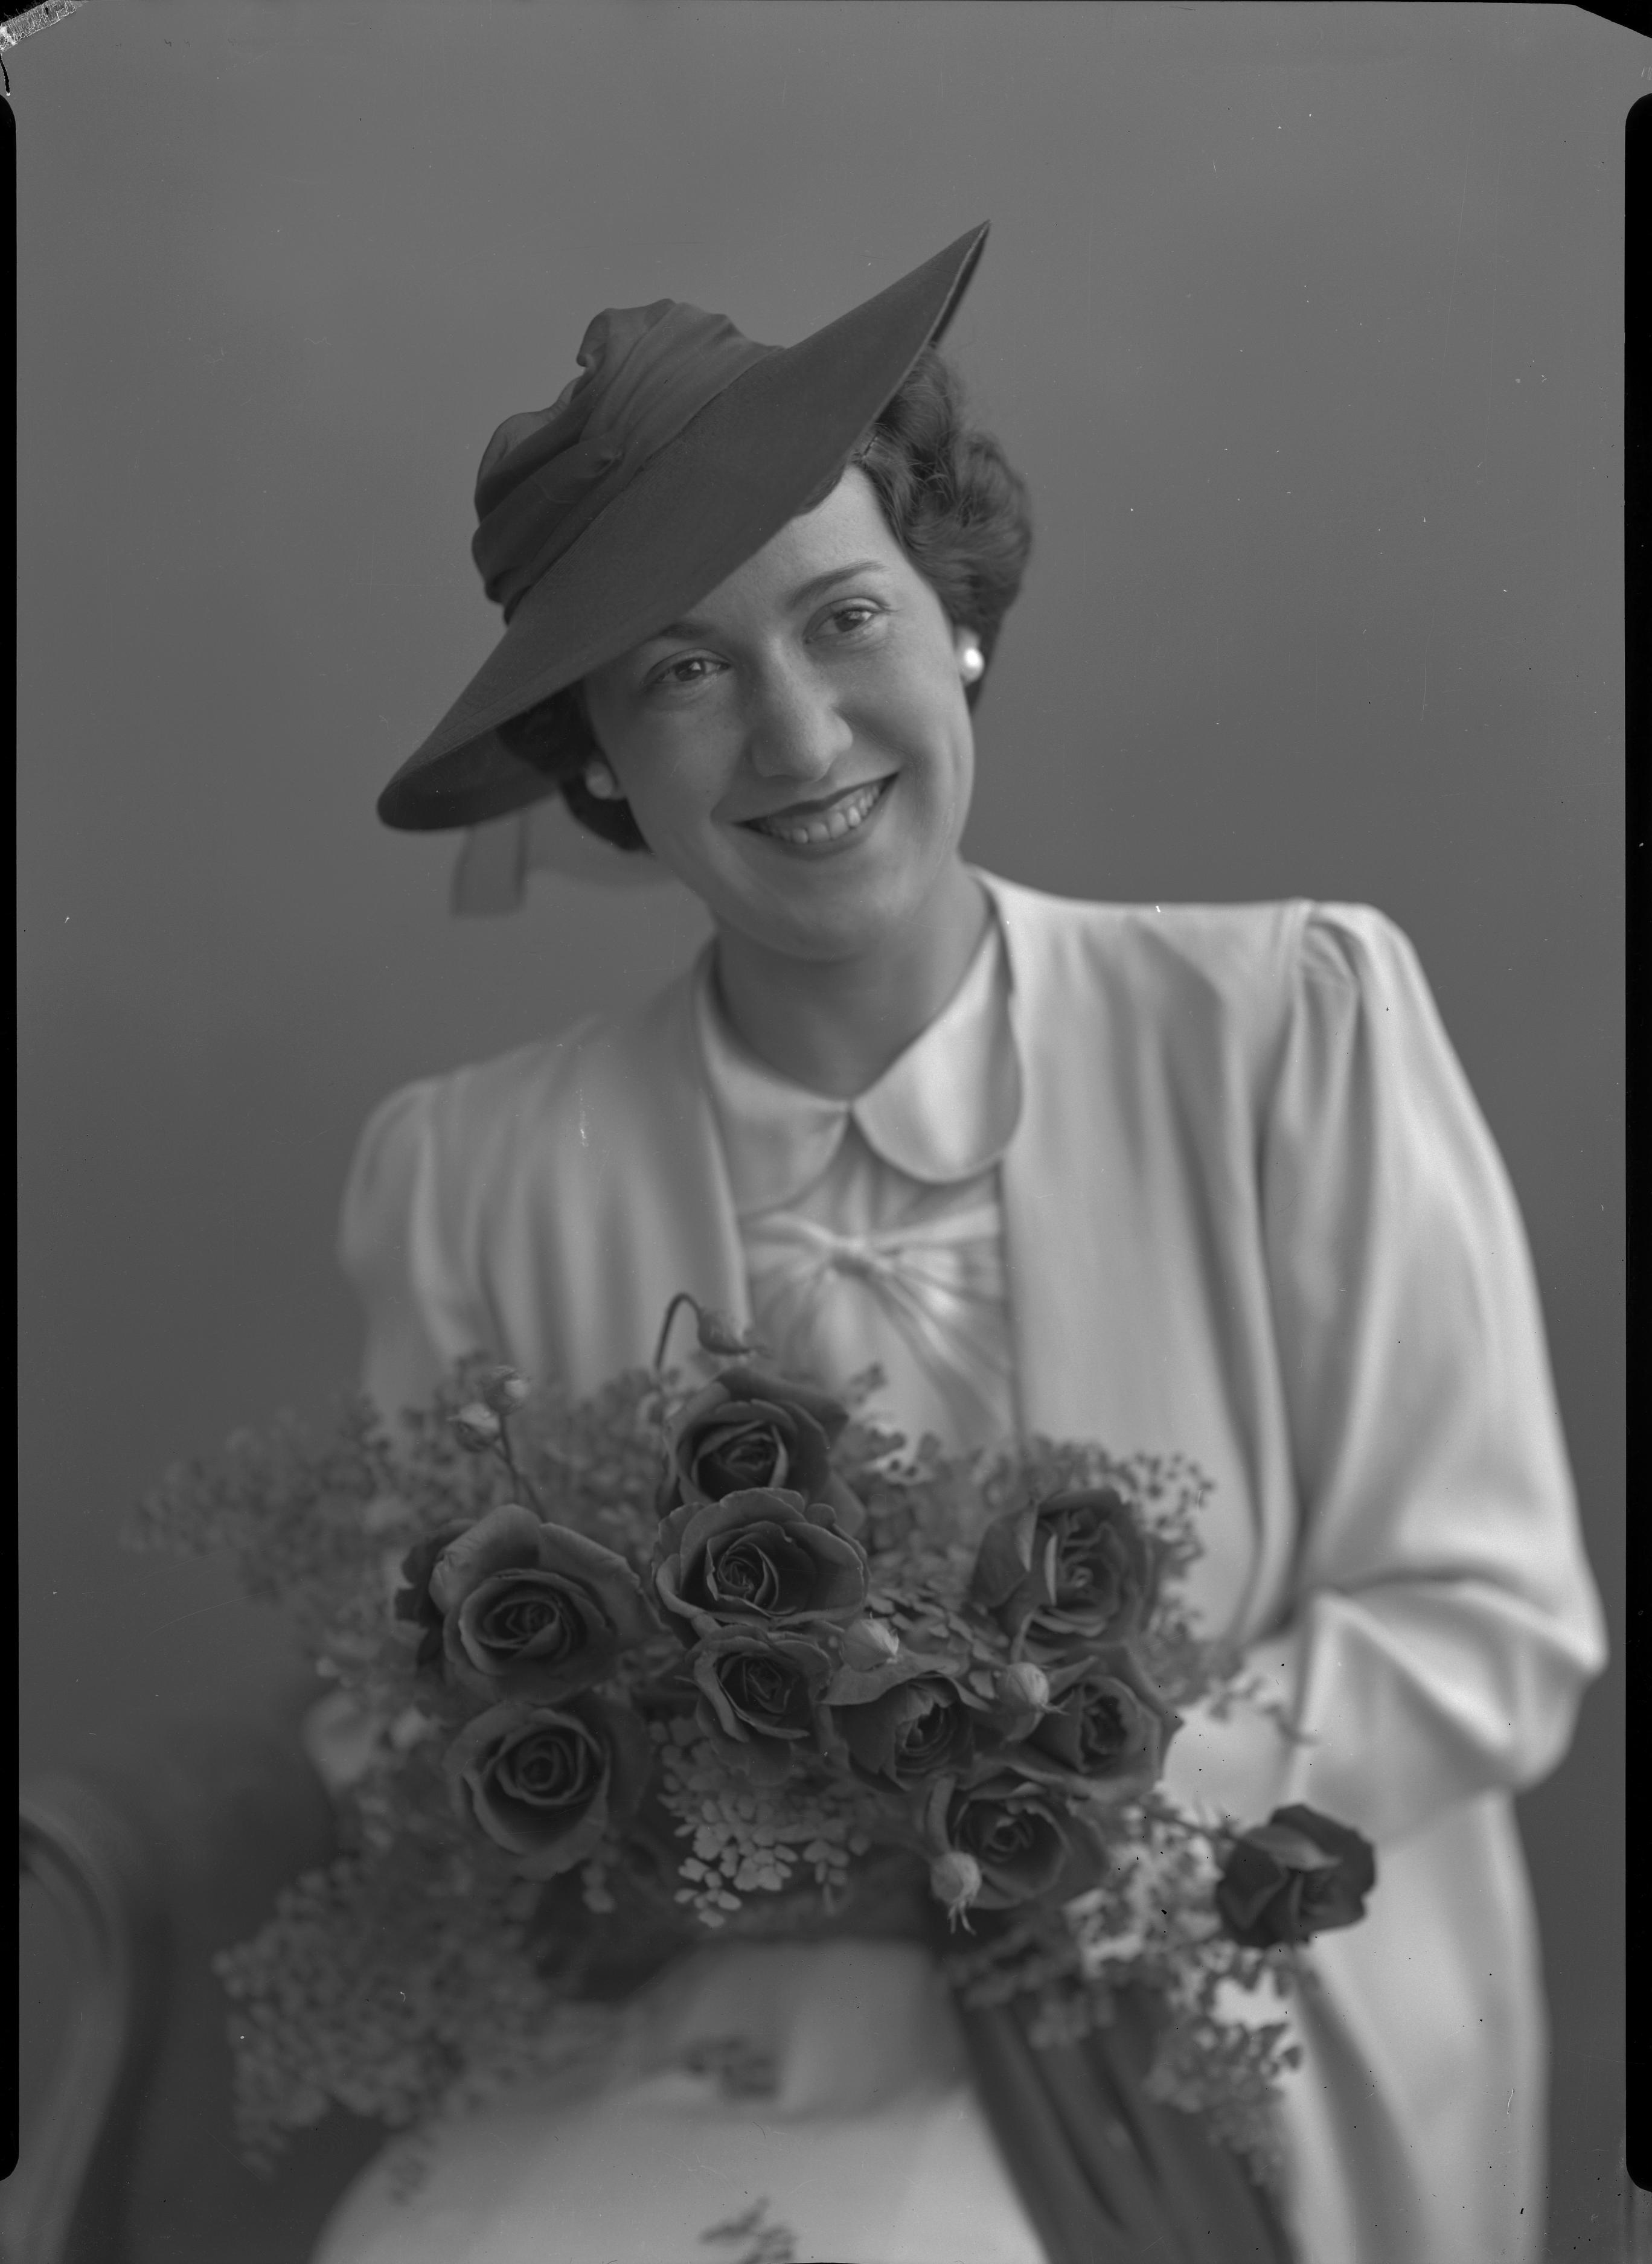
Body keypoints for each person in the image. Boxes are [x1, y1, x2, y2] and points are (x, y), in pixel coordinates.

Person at [309, 226, 1606, 2264]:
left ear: (961, 620)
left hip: (1185, 1997)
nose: (800, 739)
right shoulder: (472, 1173)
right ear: (601, 765)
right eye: (683, 673)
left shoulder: (1288, 1032)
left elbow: (1491, 1627)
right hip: (700, 2020)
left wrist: (1058, 1787)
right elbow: (385, 1715)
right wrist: (683, 1808)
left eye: (846, 620)